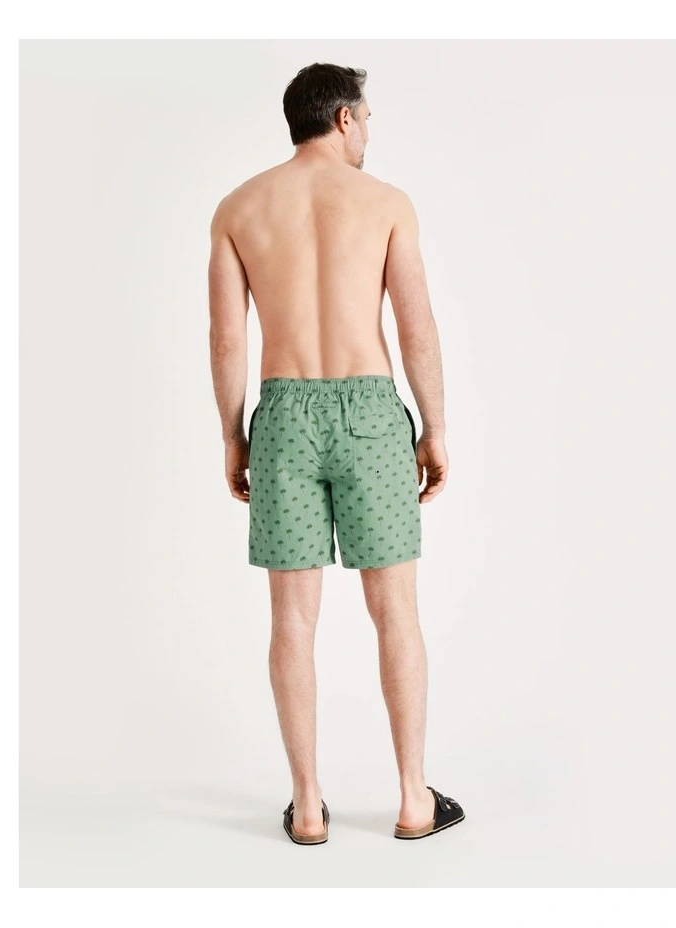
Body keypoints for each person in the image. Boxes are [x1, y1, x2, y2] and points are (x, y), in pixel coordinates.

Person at [208, 62, 463, 843]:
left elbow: (227, 340)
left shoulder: (240, 208)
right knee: (396, 611)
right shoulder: (385, 203)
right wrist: (434, 427)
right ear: (344, 118)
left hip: (284, 417)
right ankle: (413, 800)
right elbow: (416, 326)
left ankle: (310, 806)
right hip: (371, 415)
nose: (369, 130)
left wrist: (234, 433)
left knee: (292, 618)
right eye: (367, 117)